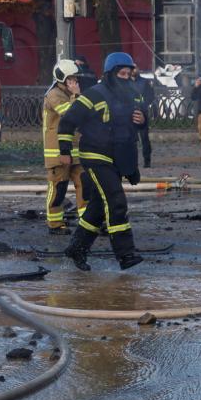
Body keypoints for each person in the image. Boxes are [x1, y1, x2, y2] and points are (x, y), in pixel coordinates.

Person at [57, 52, 147, 271]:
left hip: (117, 156)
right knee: (116, 201)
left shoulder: (135, 95)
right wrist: (65, 151)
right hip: (95, 155)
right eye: (121, 73)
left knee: (98, 207)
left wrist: (143, 120)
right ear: (110, 74)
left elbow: (135, 129)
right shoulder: (94, 95)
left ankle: (76, 249)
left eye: (128, 73)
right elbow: (67, 122)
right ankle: (126, 255)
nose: (125, 77)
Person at [40, 59, 85, 235]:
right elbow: (70, 114)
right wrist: (76, 95)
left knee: (84, 185)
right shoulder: (54, 95)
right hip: (58, 154)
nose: (75, 82)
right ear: (62, 78)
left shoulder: (68, 94)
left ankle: (86, 222)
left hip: (75, 152)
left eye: (75, 79)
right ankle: (55, 224)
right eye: (71, 78)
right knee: (58, 189)